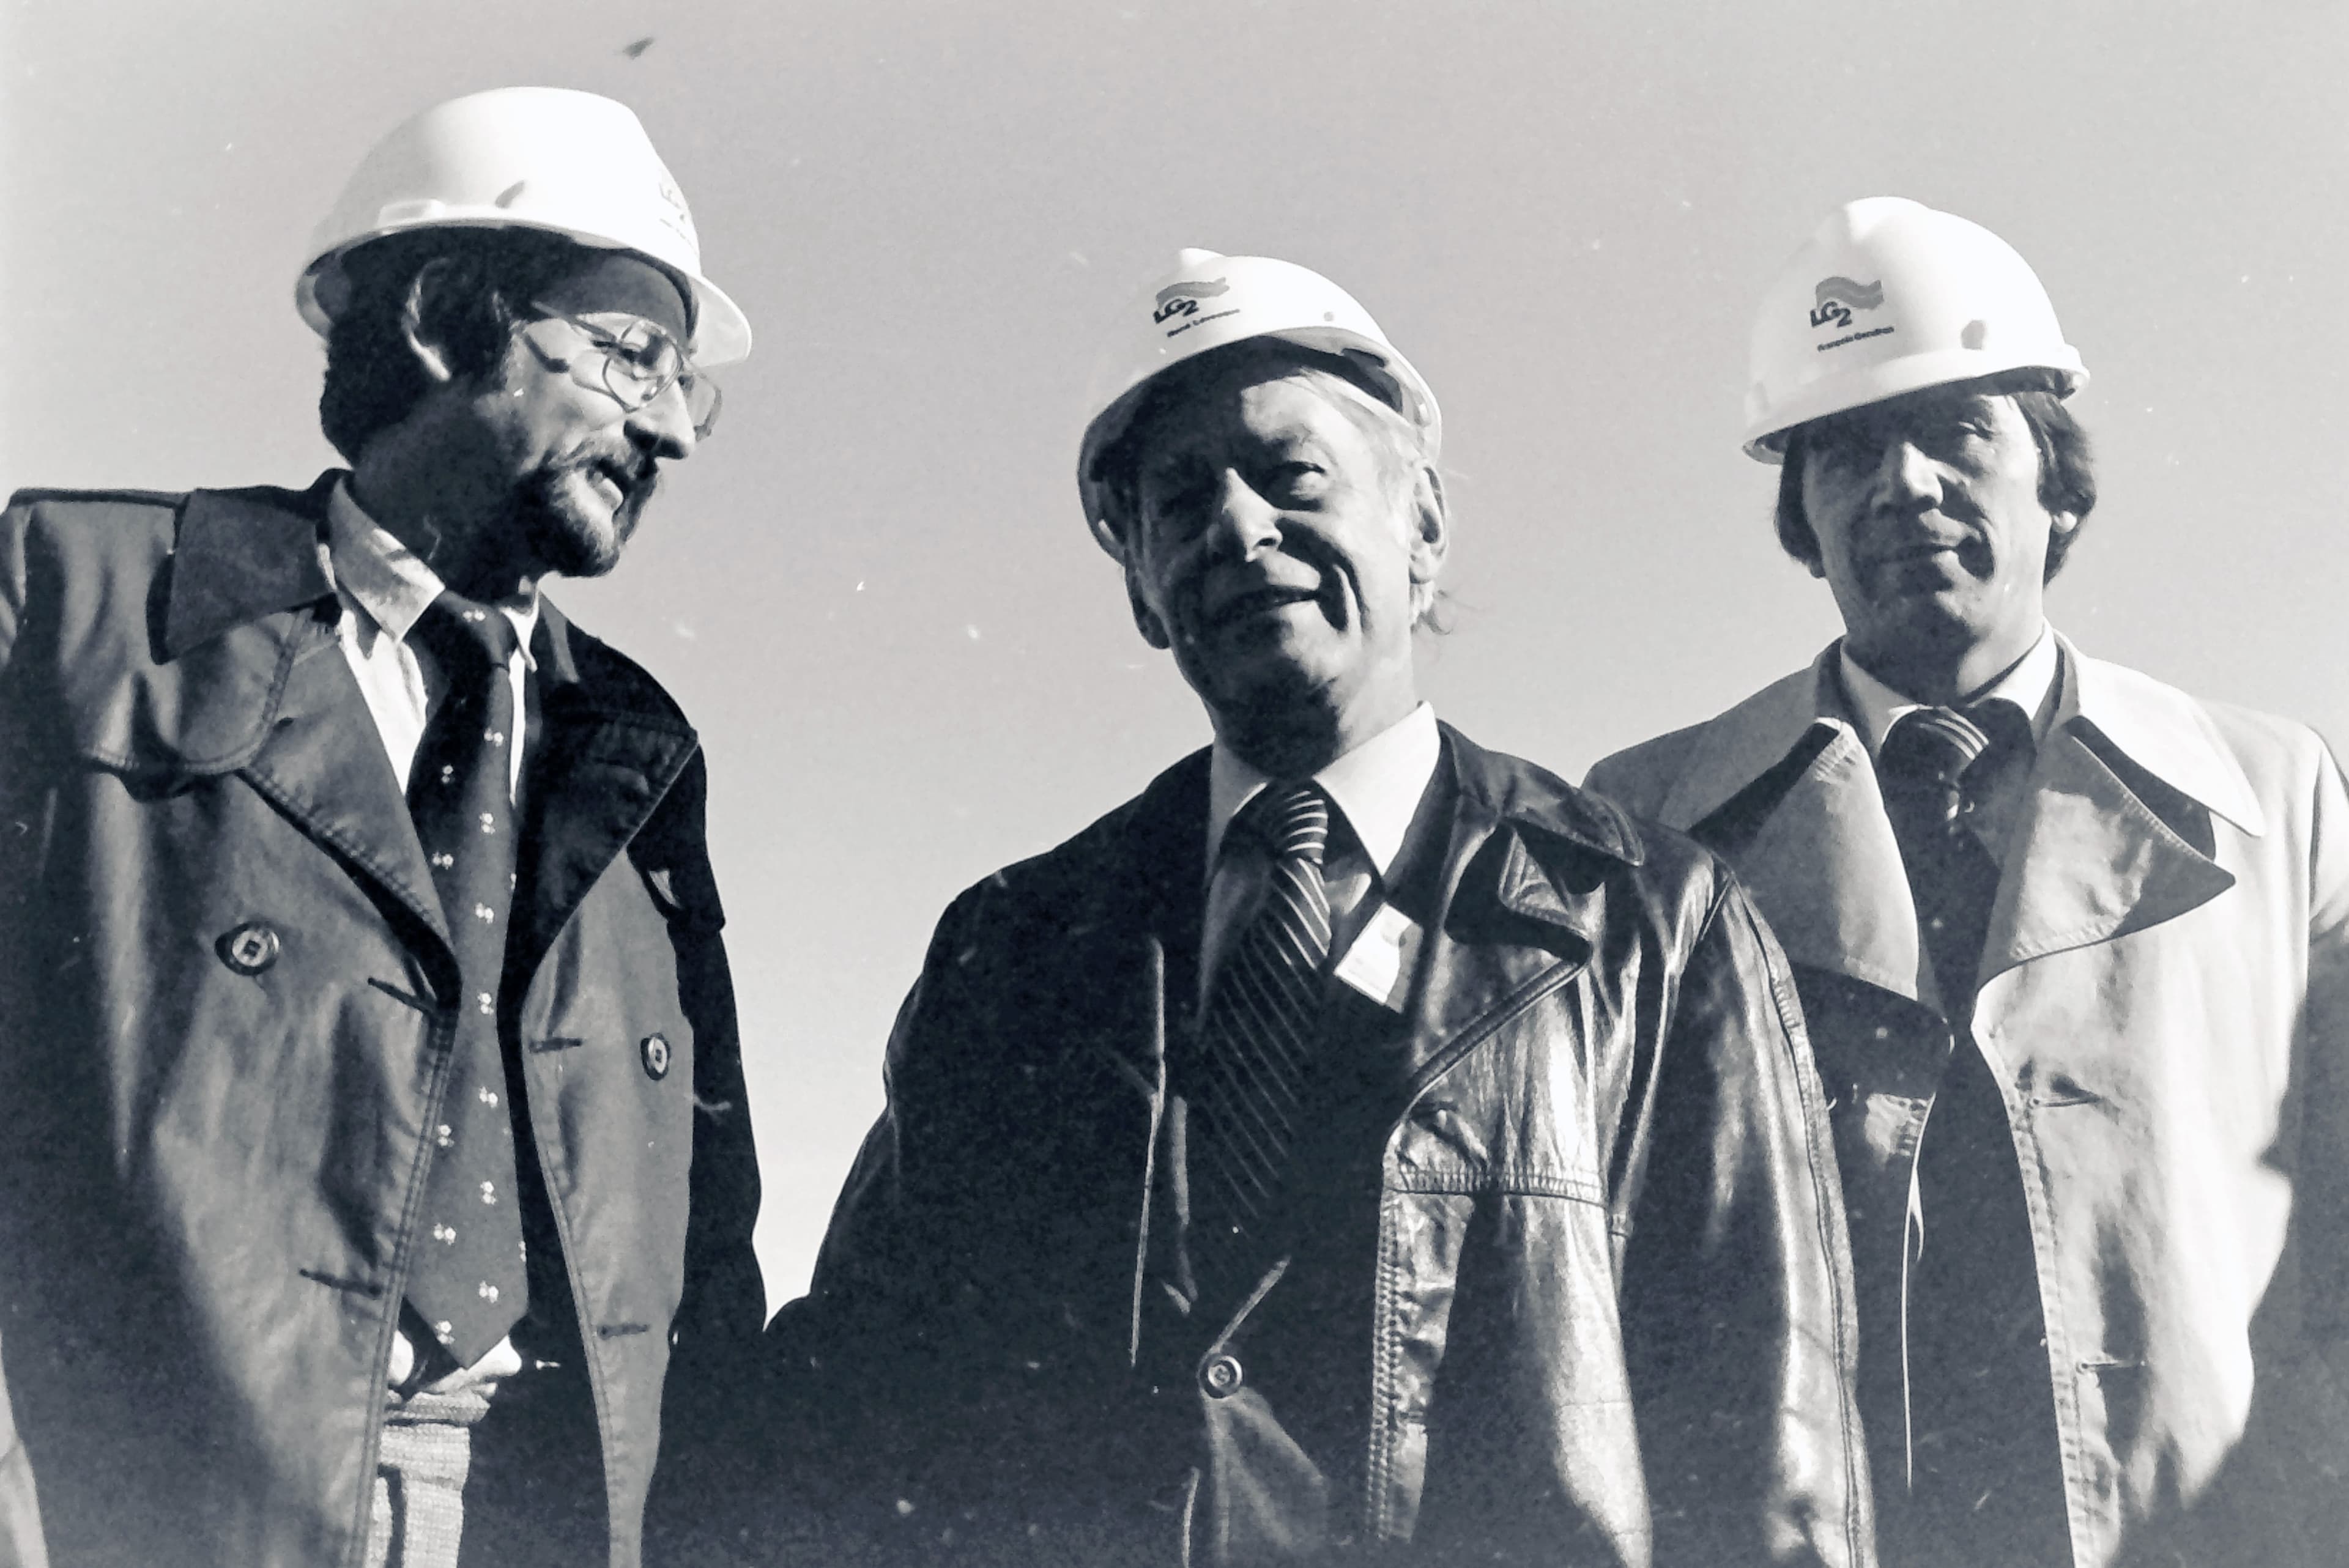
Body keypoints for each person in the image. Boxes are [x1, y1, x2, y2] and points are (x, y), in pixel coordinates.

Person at [767, 250, 1869, 1566]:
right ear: (1138, 586)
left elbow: (1772, 1451)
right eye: (1179, 502)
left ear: (1423, 526)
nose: (1236, 529)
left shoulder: (1653, 925)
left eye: (1294, 477)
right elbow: (863, 1403)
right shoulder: (1012, 948)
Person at [0, 87, 763, 1568]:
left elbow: (705, 1264)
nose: (672, 426)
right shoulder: (70, 606)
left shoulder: (644, 753)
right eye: (629, 358)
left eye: (689, 385)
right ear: (434, 320)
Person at [1586, 198, 2349, 1567]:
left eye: (1959, 431)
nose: (1906, 485)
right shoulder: (1642, 824)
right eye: (1848, 449)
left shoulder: (2282, 797)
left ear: (2057, 481)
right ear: (1801, 517)